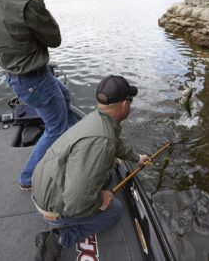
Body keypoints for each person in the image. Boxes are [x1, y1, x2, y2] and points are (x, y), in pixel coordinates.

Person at [31, 75, 150, 261]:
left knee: (105, 177)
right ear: (125, 105)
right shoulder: (102, 141)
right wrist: (100, 199)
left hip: (48, 181)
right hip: (52, 204)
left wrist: (137, 158)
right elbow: (76, 201)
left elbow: (116, 145)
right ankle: (58, 239)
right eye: (130, 101)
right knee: (114, 211)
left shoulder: (98, 120)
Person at [0, 0, 77, 190]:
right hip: (35, 79)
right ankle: (28, 177)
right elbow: (54, 39)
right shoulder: (26, 0)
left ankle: (76, 144)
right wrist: (39, 1)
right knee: (55, 128)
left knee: (64, 96)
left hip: (15, 76)